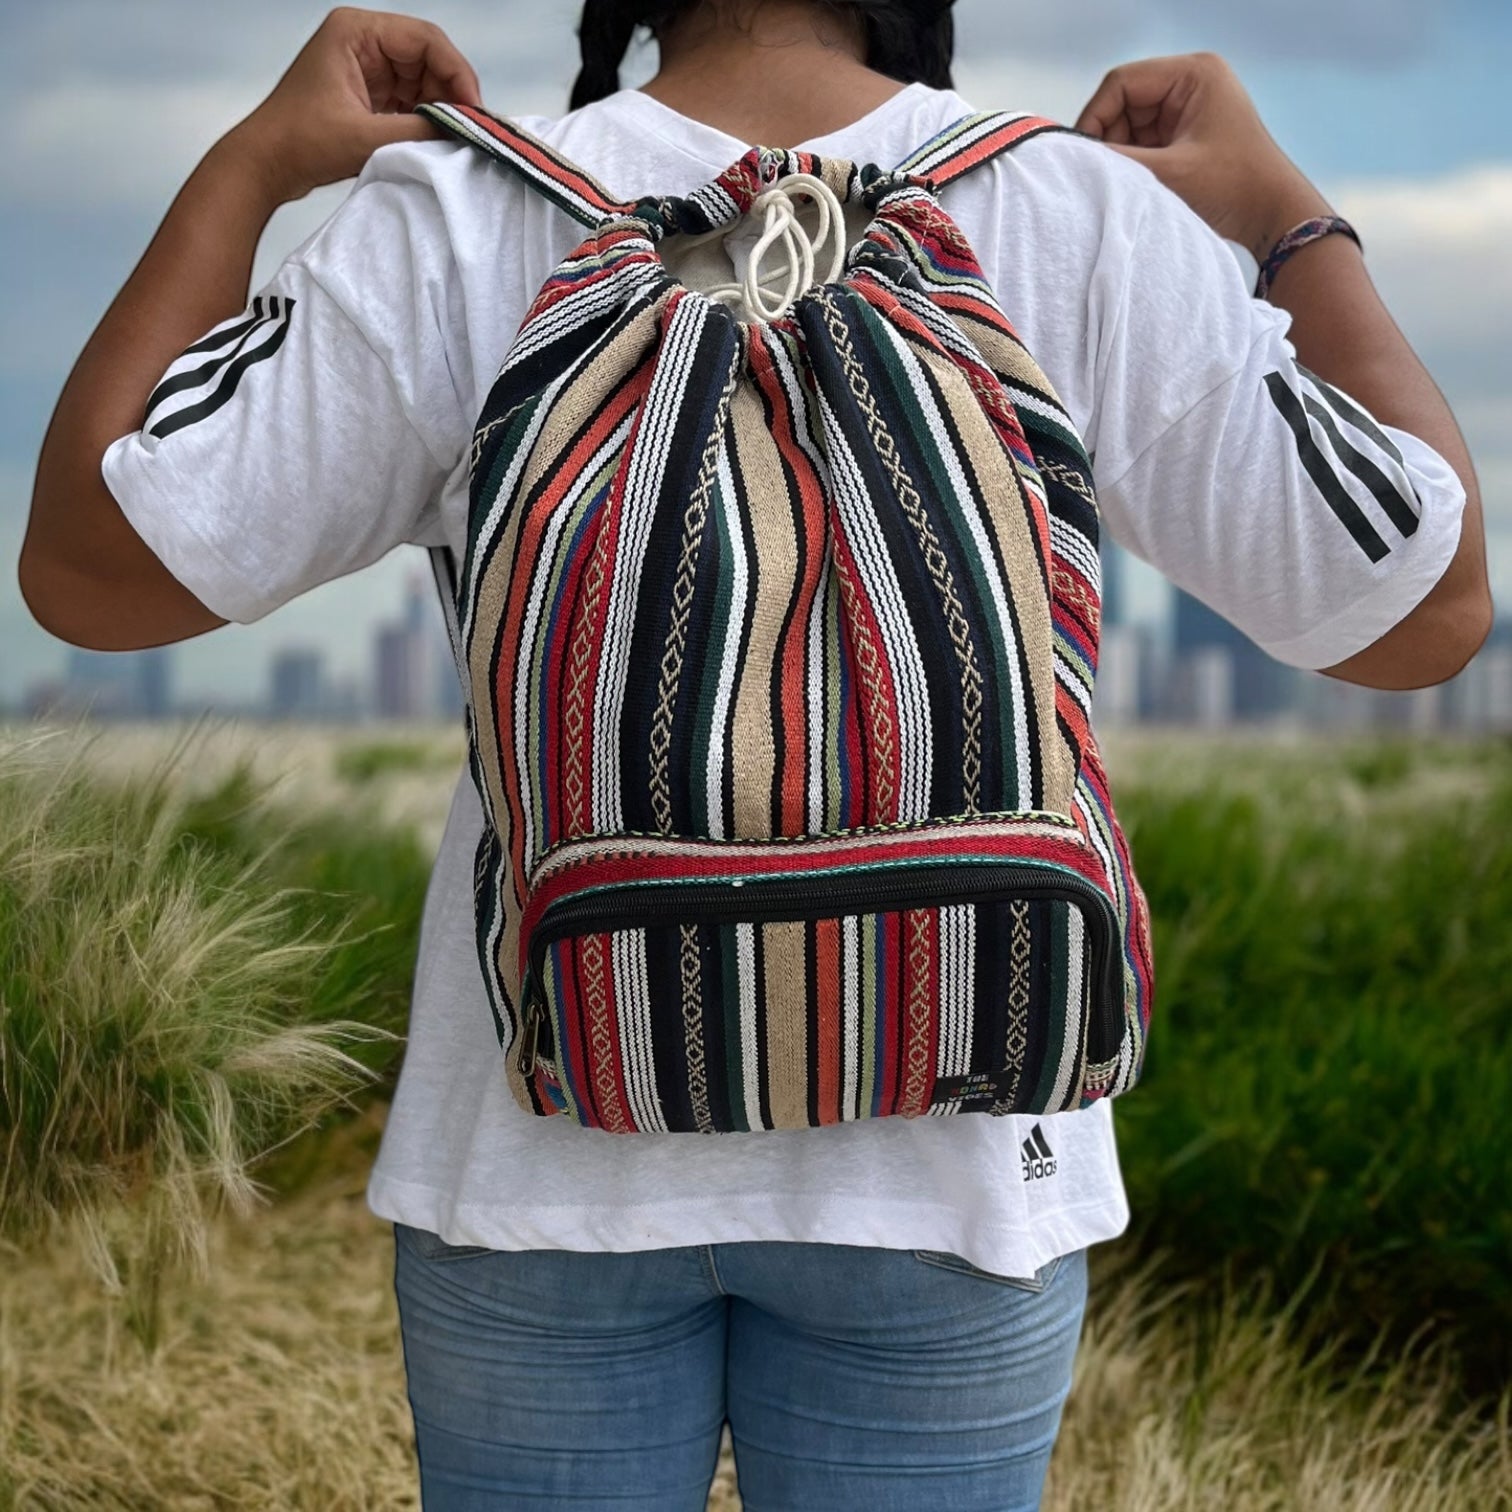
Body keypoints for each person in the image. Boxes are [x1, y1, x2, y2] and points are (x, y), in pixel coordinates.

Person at [20, 2, 1489, 1507]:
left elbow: (93, 570)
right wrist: (1286, 219)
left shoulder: (462, 212)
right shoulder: (1077, 213)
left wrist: (253, 164)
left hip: (541, 1152)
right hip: (964, 1163)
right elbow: (1422, 608)